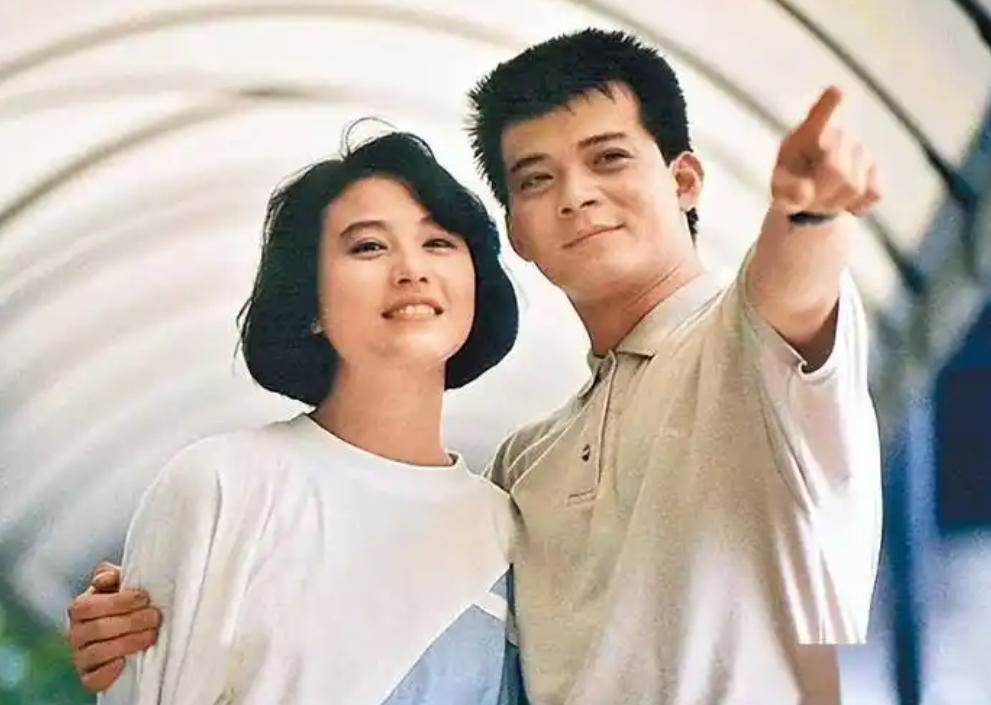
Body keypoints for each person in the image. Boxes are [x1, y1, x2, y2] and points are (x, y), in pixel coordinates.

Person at [68, 28, 883, 705]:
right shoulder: (521, 472)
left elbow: (794, 292)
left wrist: (810, 210)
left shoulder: (750, 355)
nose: (575, 195)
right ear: (516, 234)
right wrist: (156, 593)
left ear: (685, 179)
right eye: (537, 178)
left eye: (607, 158)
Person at [76, 130, 524, 704]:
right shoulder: (223, 485)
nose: (412, 269)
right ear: (309, 301)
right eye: (369, 247)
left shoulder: (506, 527)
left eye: (438, 242)